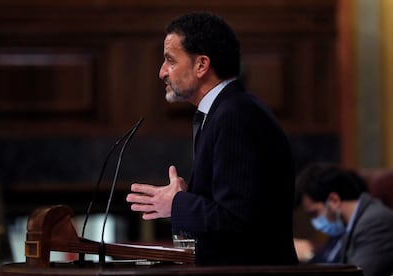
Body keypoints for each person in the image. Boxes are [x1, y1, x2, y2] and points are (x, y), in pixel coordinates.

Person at [126, 11, 298, 266]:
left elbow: (236, 220)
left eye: (171, 61)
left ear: (201, 65)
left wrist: (176, 203)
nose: (162, 72)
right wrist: (187, 199)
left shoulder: (235, 115)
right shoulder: (225, 111)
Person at [294, 162, 393, 276]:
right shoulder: (344, 227)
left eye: (314, 213)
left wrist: (308, 255)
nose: (314, 222)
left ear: (334, 200)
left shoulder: (375, 223)